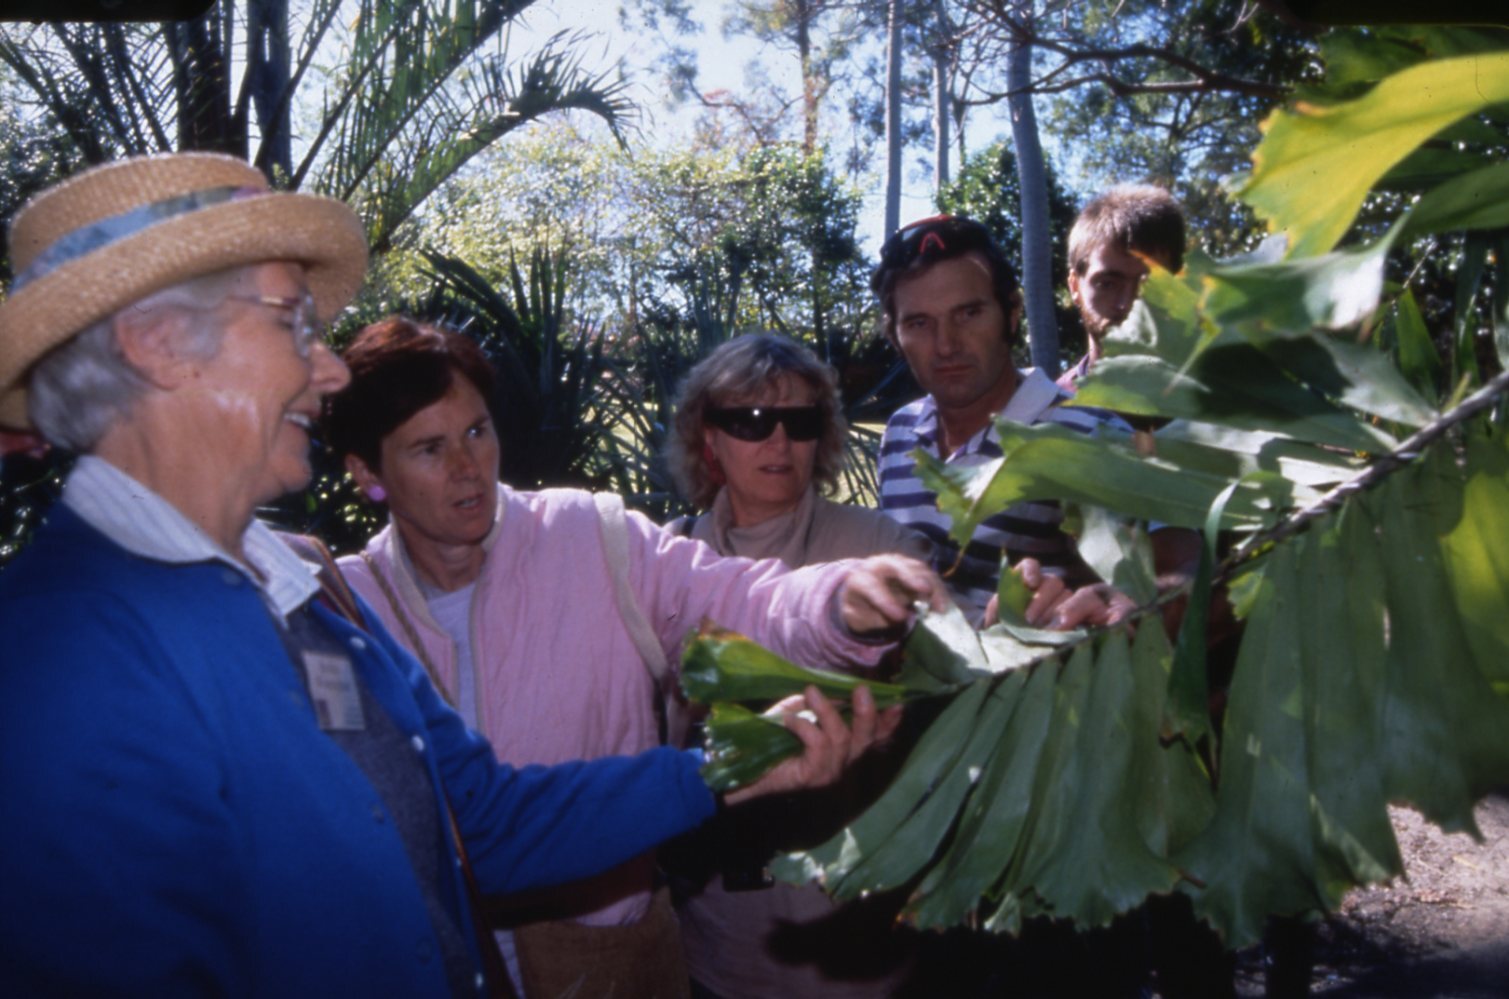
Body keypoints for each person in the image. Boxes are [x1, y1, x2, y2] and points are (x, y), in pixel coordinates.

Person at [0, 153, 929, 996]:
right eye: (292, 321)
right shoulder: (57, 664)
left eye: (475, 432)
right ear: (157, 343)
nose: (326, 373)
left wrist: (740, 757)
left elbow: (484, 820)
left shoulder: (300, 608)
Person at [321, 320, 947, 997]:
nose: (466, 466)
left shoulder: (592, 537)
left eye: (476, 430)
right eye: (428, 448)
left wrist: (841, 599)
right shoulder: (340, 610)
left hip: (609, 962)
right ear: (365, 471)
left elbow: (736, 595)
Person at [662, 333, 927, 998]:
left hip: (849, 927)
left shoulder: (876, 550)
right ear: (707, 438)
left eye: (800, 421)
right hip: (718, 934)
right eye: (750, 421)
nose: (777, 442)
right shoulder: (665, 560)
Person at [870, 214, 1138, 627]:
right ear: (895, 335)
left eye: (969, 314)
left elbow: (1167, 578)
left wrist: (1111, 604)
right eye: (919, 323)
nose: (946, 345)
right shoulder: (900, 433)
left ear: (1011, 314)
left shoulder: (1089, 435)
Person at [1057, 184, 1186, 391]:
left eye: (1150, 284)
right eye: (1107, 284)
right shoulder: (1048, 415)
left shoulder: (1228, 409)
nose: (1128, 305)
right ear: (1074, 286)